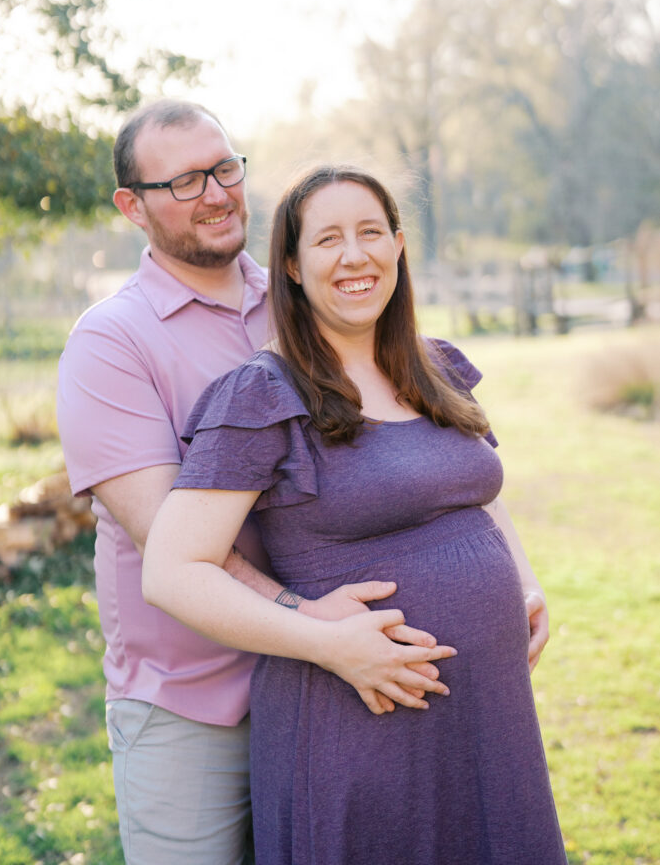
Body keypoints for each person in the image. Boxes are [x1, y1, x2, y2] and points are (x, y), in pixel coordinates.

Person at [57, 105, 455, 865]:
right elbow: (166, 539)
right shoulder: (110, 343)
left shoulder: (303, 296)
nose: (215, 193)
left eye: (224, 167)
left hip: (330, 689)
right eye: (182, 181)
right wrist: (314, 623)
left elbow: (413, 440)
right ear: (131, 206)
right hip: (196, 701)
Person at [141, 164, 566, 865]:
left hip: (488, 718)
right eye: (327, 239)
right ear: (291, 266)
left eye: (370, 232)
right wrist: (327, 643)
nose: (353, 255)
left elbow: (478, 495)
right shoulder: (261, 393)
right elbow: (172, 569)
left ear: (398, 246)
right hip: (357, 725)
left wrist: (523, 584)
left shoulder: (438, 369)